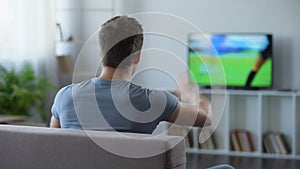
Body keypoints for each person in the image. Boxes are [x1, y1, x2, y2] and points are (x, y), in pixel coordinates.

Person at [50, 15, 212, 134]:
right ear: (137, 56)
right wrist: (191, 93)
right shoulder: (153, 100)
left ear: (100, 52)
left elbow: (54, 146)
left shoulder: (64, 97)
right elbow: (207, 119)